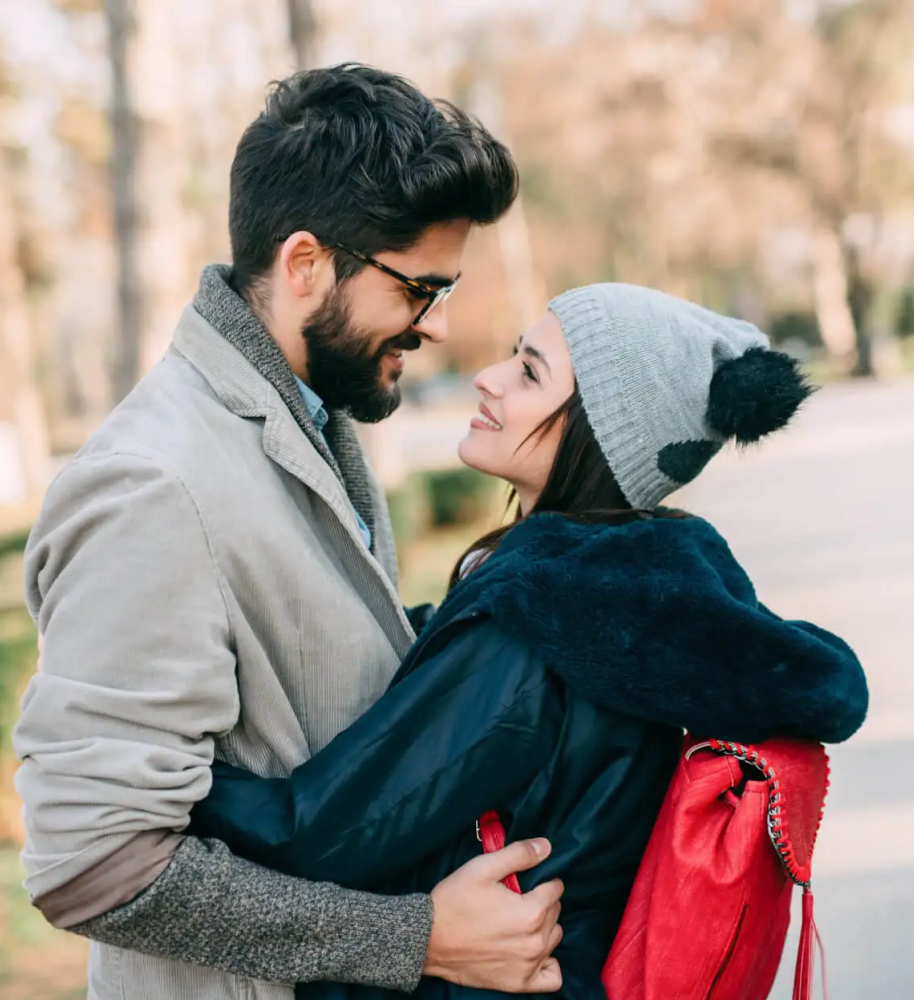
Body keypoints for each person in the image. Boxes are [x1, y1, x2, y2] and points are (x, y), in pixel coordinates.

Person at [13, 65, 566, 1000]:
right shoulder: (152, 485)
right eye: (419, 289)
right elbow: (91, 861)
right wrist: (415, 939)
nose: (435, 327)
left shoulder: (314, 418)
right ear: (305, 265)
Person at [187, 284, 870, 1000]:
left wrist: (159, 775)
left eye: (530, 373)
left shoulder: (542, 622)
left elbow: (314, 833)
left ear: (596, 435)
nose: (489, 378)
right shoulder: (632, 595)